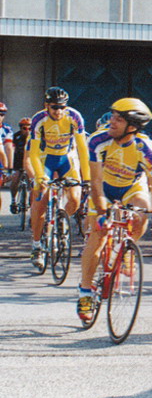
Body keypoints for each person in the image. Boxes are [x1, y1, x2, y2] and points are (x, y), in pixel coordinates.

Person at [76, 99, 152, 321]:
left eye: (119, 119)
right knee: (98, 235)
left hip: (130, 188)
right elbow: (95, 182)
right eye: (113, 116)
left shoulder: (147, 149)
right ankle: (85, 291)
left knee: (143, 211)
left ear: (132, 126)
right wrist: (102, 213)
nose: (112, 122)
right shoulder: (98, 140)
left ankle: (127, 249)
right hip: (103, 189)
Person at [27, 87, 89, 266]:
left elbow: (82, 149)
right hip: (45, 159)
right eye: (55, 107)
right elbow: (33, 153)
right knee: (40, 201)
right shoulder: (39, 119)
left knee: (75, 199)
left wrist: (87, 178)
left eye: (62, 107)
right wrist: (40, 176)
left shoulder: (74, 117)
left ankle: (61, 221)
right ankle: (37, 246)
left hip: (67, 159)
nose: (59, 111)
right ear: (47, 106)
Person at [8, 117, 30, 211]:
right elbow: (10, 149)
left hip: (30, 161)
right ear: (20, 128)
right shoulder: (15, 137)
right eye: (24, 128)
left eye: (30, 128)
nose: (27, 131)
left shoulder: (35, 136)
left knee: (33, 181)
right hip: (18, 161)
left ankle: (32, 201)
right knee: (15, 179)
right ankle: (13, 200)